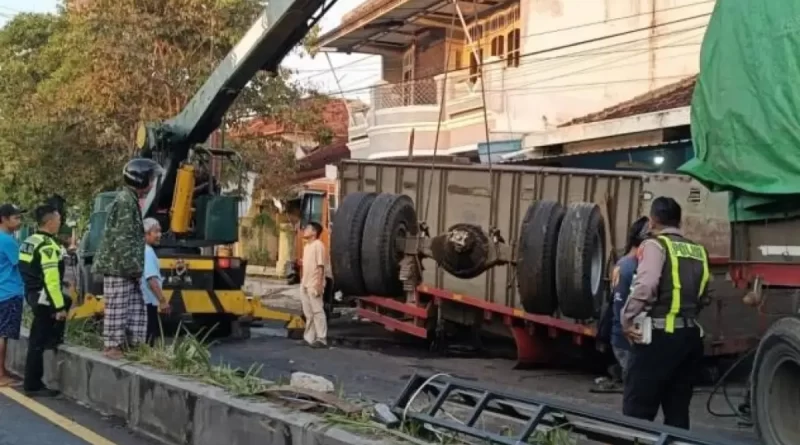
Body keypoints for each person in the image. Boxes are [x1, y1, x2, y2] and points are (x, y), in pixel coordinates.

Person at [621, 197, 712, 429]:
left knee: (637, 413)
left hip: (658, 339)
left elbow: (646, 285)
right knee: (677, 412)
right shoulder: (698, 251)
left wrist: (627, 318)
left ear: (652, 221)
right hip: (690, 339)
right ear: (679, 221)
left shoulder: (655, 246)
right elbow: (705, 295)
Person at [94, 158, 163, 359]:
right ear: (140, 179)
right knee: (118, 307)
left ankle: (133, 345)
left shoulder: (131, 201)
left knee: (135, 308)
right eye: (150, 179)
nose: (152, 184)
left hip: (127, 268)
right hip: (119, 267)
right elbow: (123, 239)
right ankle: (112, 347)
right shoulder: (125, 202)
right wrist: (133, 268)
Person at [19, 204, 71, 396]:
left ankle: (52, 338)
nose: (60, 223)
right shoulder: (48, 246)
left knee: (66, 300)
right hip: (44, 297)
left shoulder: (29, 241)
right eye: (58, 220)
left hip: (31, 293)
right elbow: (51, 281)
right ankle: (32, 384)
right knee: (37, 341)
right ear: (49, 222)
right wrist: (58, 308)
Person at [609, 216, 650, 383]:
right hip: (626, 339)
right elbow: (620, 307)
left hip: (629, 337)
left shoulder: (629, 264)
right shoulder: (628, 267)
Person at [0, 204, 25, 387]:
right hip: (8, 292)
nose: (19, 221)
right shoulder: (8, 241)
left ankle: (2, 370)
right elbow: (22, 264)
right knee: (3, 334)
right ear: (4, 219)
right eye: (16, 218)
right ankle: (0, 375)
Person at [141, 218, 169, 345]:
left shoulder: (145, 250)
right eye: (156, 232)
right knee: (149, 337)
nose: (159, 235)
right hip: (148, 302)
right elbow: (151, 280)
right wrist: (163, 301)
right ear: (146, 234)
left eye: (160, 231)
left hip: (147, 301)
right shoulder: (147, 252)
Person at [300, 222, 328, 348]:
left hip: (314, 283)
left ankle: (321, 338)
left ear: (314, 232)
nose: (305, 230)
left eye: (308, 228)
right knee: (308, 313)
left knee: (317, 311)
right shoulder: (306, 246)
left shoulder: (318, 245)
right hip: (305, 283)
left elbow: (321, 266)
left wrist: (319, 284)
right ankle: (309, 338)